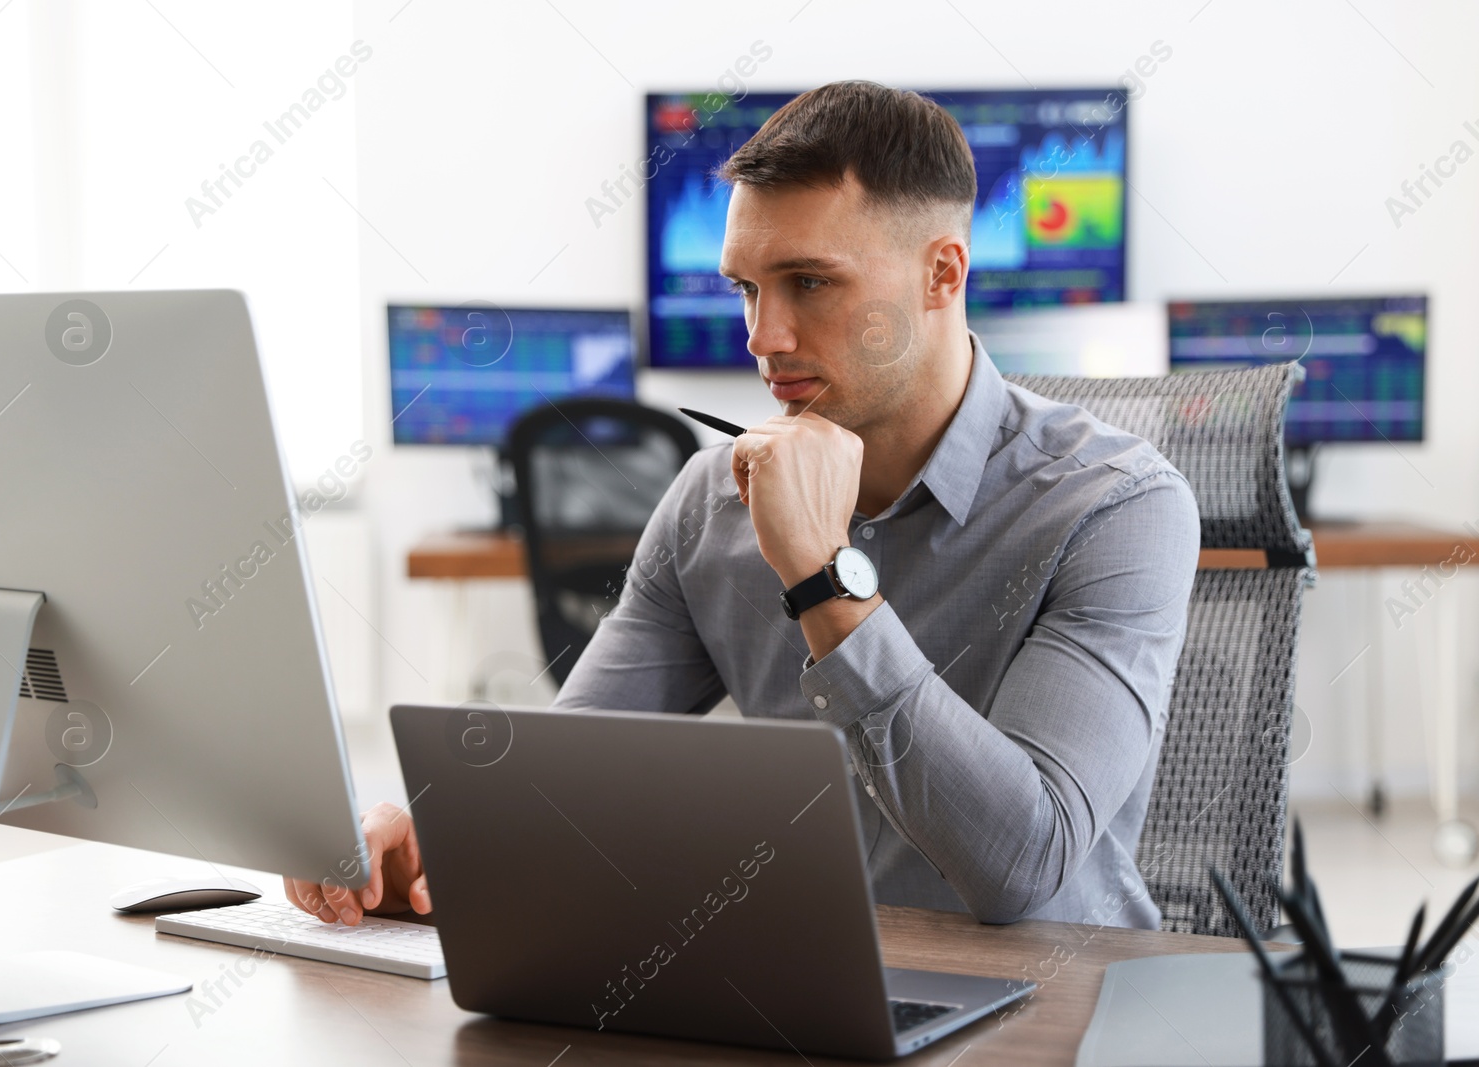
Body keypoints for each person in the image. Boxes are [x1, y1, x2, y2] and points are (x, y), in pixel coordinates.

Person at [285, 80, 1199, 931]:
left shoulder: (1118, 505)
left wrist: (821, 575)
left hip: (1056, 1017)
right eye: (746, 289)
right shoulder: (709, 502)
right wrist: (439, 835)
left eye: (810, 282)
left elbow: (1020, 861)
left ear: (942, 275)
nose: (764, 338)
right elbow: (566, 776)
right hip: (810, 990)